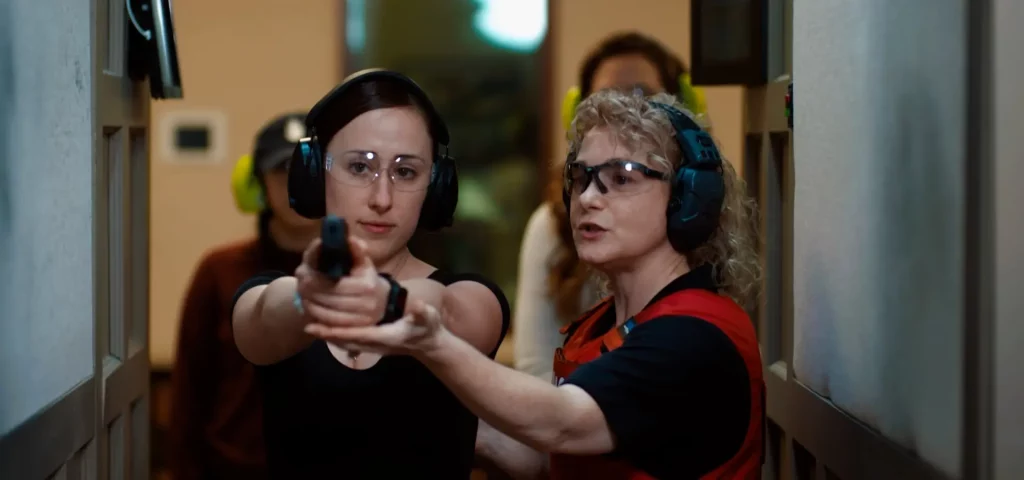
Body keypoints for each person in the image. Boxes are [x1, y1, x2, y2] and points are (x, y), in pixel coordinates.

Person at [302, 89, 765, 479]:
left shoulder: (692, 336)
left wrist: (434, 344)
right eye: (581, 177)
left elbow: (563, 426)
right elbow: (553, 456)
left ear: (688, 201)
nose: (587, 198)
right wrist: (435, 422)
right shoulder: (601, 324)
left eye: (621, 178)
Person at [230, 69, 510, 479]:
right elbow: (266, 316)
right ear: (313, 176)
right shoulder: (271, 292)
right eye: (360, 167)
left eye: (406, 172)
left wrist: (388, 301)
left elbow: (444, 311)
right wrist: (309, 298)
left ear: (436, 187)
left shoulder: (473, 297)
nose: (382, 198)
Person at [515, 31, 710, 382]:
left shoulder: (701, 325)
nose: (625, 115)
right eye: (606, 100)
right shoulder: (553, 224)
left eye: (642, 96)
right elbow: (536, 371)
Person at [169, 112, 319, 479]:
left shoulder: (359, 273)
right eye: (281, 170)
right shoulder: (218, 271)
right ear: (257, 185)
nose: (294, 182)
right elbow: (189, 393)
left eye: (306, 168)